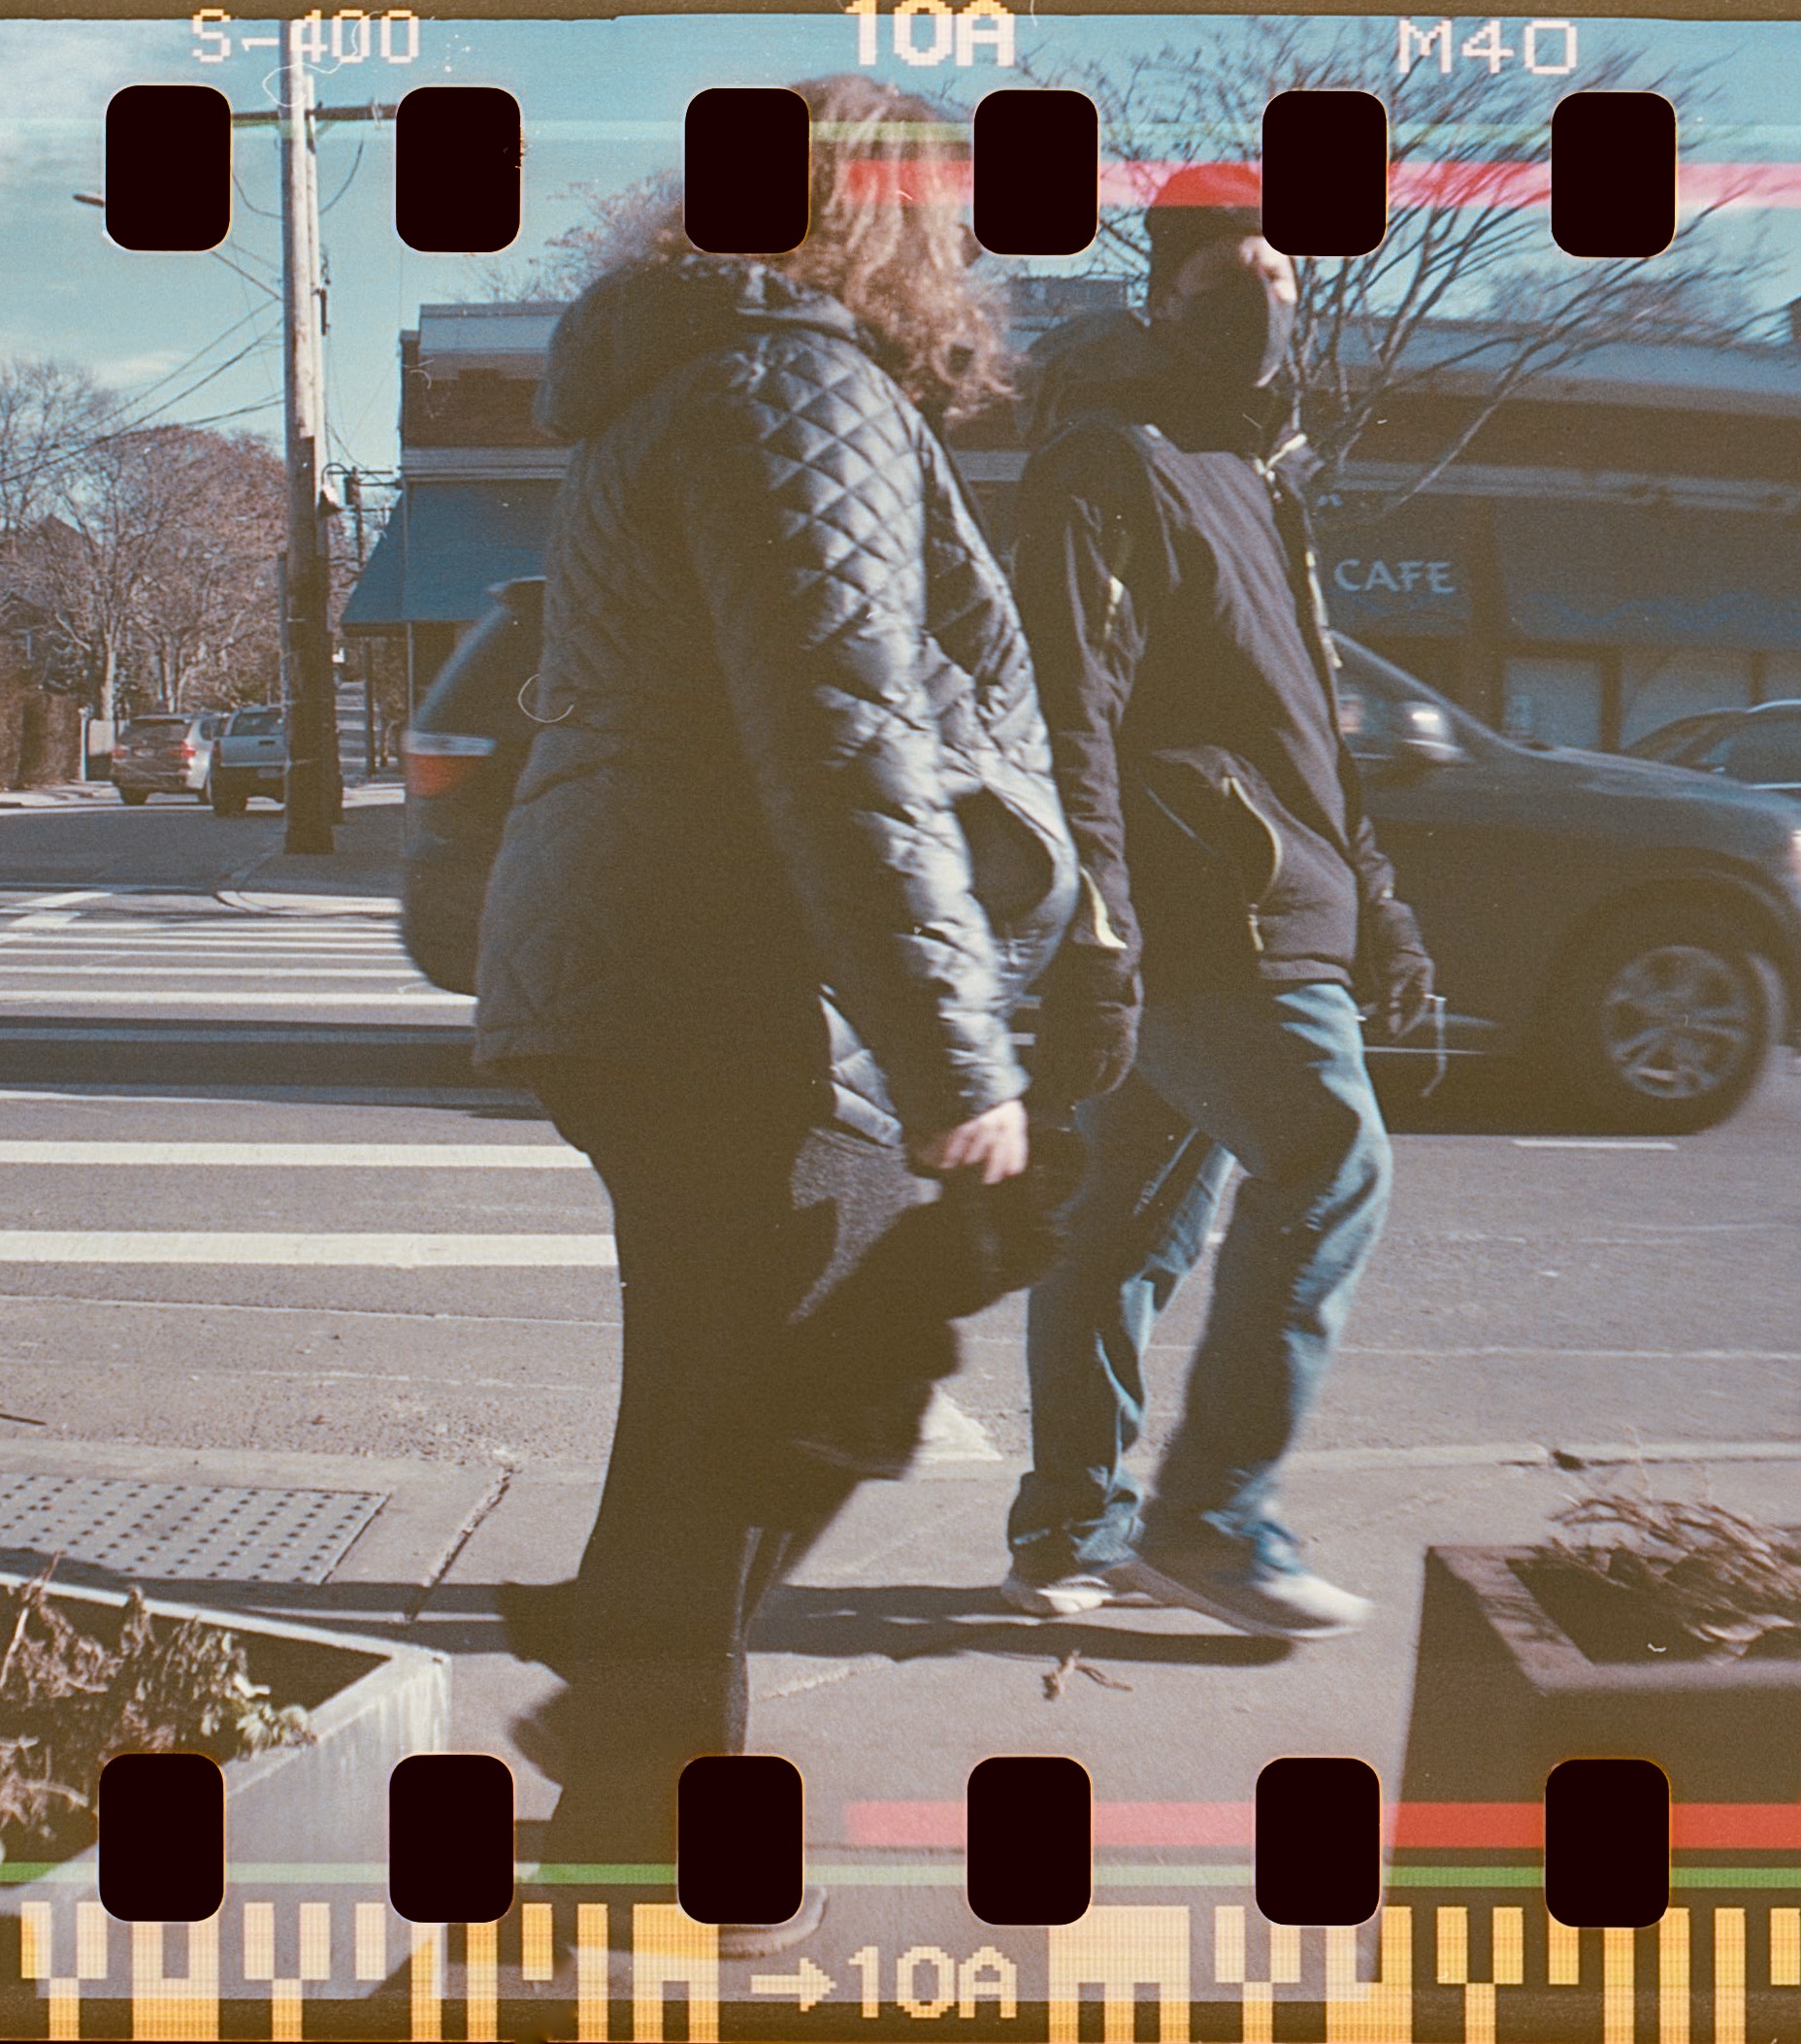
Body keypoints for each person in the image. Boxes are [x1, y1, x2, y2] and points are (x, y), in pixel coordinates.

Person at [472, 75, 1083, 1935]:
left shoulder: (685, 371)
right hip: (733, 973)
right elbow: (843, 740)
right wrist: (950, 1053)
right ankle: (642, 1825)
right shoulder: (789, 383)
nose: (970, 257)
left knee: (721, 1396)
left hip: (650, 961)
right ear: (888, 217)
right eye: (955, 216)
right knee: (810, 1372)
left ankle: (618, 1760)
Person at [996, 174, 1437, 1640]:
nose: (1273, 301)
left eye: (1291, 278)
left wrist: (1380, 912)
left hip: (1268, 901)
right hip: (1203, 918)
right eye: (1240, 274)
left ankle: (1069, 1529)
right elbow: (1065, 717)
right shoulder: (1100, 464)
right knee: (1329, 1156)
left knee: (1116, 1237)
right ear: (1167, 294)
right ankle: (1210, 1518)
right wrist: (1099, 937)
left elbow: (1305, 727)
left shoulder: (1262, 483)